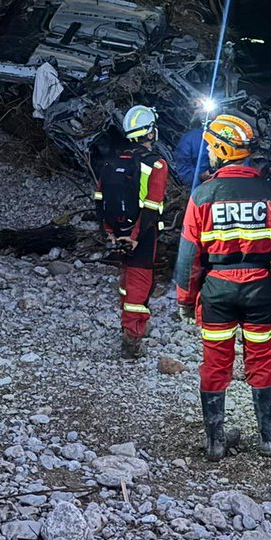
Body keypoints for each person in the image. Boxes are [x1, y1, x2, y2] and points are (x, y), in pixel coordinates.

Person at [174, 111, 271, 460]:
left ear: (223, 152)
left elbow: (189, 255)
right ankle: (269, 438)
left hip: (216, 291)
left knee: (215, 364)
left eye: (211, 147)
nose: (207, 153)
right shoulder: (270, 193)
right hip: (260, 289)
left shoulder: (203, 195)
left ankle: (215, 442)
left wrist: (185, 298)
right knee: (261, 360)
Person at [93, 104, 169, 359]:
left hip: (116, 231)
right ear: (149, 133)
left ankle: (127, 327)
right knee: (139, 286)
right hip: (141, 236)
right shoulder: (155, 165)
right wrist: (135, 237)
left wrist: (110, 232)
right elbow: (152, 207)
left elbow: (99, 198)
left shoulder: (112, 162)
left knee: (126, 284)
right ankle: (132, 340)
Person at [174, 119, 213, 192]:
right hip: (198, 190)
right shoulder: (191, 138)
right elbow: (182, 168)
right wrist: (199, 176)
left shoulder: (227, 136)